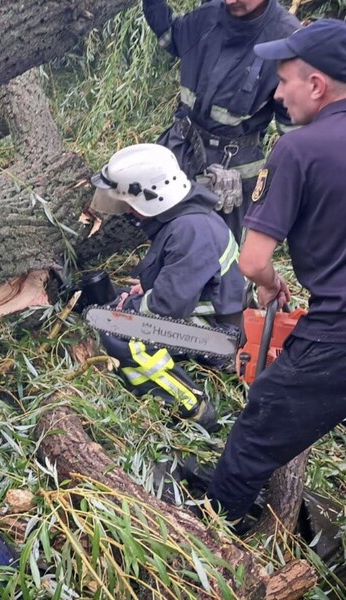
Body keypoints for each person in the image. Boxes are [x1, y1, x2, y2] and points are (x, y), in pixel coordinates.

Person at [206, 19, 346, 524]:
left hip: (339, 335)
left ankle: (217, 530)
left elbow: (253, 260)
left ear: (315, 84)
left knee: (258, 426)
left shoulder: (297, 149)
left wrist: (269, 284)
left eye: (284, 80)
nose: (278, 93)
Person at [89, 143, 246, 434]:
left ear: (149, 198)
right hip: (206, 316)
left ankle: (191, 407)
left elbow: (167, 306)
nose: (125, 210)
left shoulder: (191, 232)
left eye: (128, 203)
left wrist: (130, 312)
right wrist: (143, 291)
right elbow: (175, 278)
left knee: (121, 336)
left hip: (220, 336)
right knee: (118, 313)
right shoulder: (183, 218)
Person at [143, 0, 300, 241]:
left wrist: (276, 199)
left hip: (233, 171)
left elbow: (295, 138)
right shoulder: (206, 17)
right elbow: (170, 36)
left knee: (220, 248)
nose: (229, 1)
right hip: (181, 147)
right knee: (169, 235)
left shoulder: (287, 39)